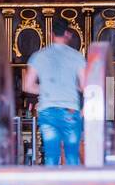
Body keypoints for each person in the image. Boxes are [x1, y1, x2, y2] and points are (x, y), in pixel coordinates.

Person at [23, 29, 86, 165]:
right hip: (70, 111)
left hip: (48, 112)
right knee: (71, 156)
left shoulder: (38, 56)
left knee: (51, 156)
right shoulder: (77, 56)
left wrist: (47, 89)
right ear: (67, 34)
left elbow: (27, 86)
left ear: (51, 34)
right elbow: (86, 86)